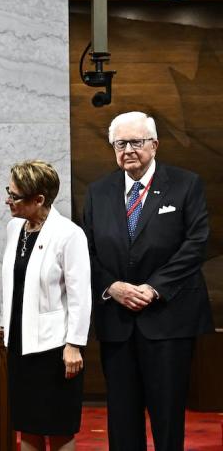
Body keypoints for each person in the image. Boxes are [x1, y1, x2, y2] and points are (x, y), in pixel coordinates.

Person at [83, 111, 213, 451]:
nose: (128, 149)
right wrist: (112, 287)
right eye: (120, 143)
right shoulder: (98, 192)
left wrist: (153, 287)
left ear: (154, 145)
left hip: (169, 320)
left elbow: (196, 243)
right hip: (118, 320)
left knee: (167, 415)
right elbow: (88, 251)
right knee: (122, 417)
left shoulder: (186, 184)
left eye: (136, 142)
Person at [0, 161, 91, 451]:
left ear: (39, 199)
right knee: (27, 426)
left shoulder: (69, 234)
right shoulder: (15, 228)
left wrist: (74, 344)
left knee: (58, 426)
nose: (7, 200)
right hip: (19, 343)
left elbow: (80, 295)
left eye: (14, 196)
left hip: (55, 349)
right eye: (9, 191)